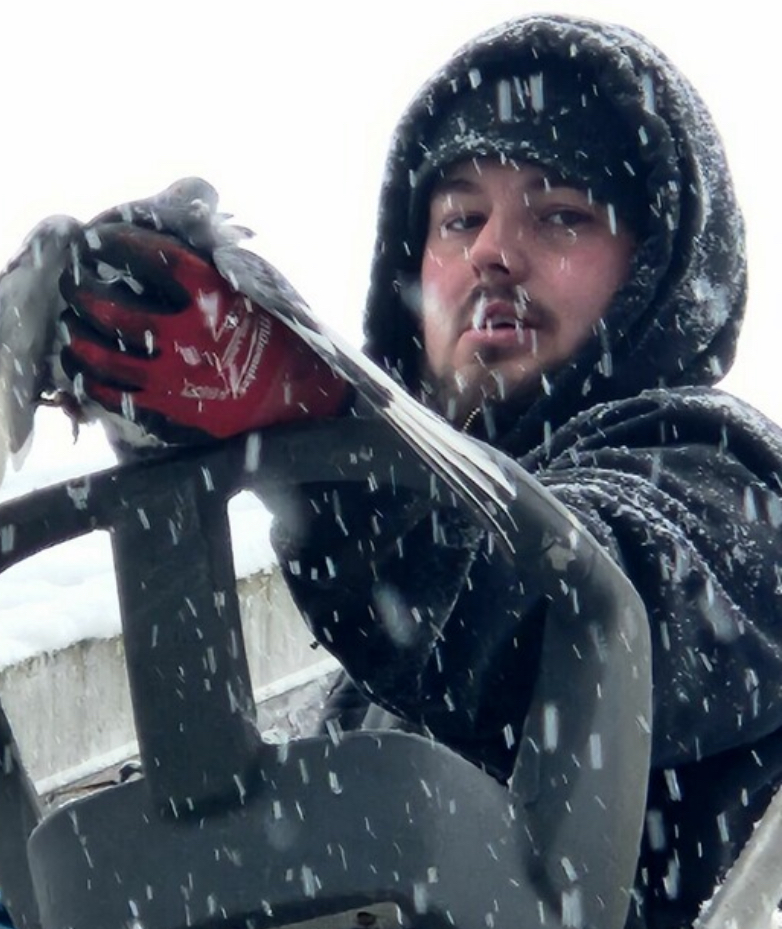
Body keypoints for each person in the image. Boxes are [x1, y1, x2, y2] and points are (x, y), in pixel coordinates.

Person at [56, 14, 782, 929]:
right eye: (460, 218)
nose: (492, 251)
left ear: (656, 264)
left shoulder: (723, 485)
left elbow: (572, 616)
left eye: (560, 213)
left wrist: (323, 431)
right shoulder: (375, 674)